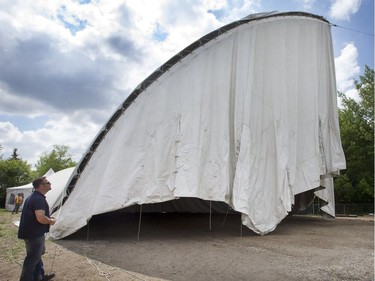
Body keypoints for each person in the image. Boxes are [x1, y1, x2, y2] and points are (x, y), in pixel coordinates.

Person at [18, 177, 56, 281]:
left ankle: (39, 277)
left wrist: (47, 219)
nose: (50, 183)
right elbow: (40, 218)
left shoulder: (34, 197)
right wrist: (50, 221)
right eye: (47, 182)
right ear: (41, 186)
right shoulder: (38, 199)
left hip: (32, 233)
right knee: (32, 259)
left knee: (37, 256)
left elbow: (38, 216)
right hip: (34, 234)